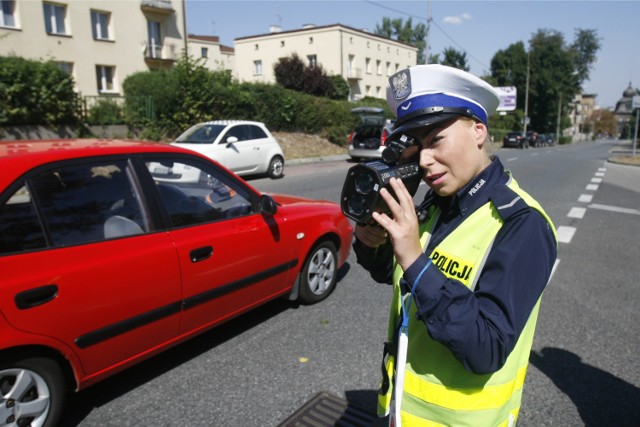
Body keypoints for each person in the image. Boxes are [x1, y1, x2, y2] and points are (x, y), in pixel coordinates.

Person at [353, 64, 557, 426]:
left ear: (478, 130)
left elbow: (487, 347)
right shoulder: (438, 202)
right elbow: (398, 277)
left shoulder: (521, 224)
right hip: (399, 413)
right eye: (417, 147)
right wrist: (375, 246)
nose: (425, 160)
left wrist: (417, 261)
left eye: (435, 140)